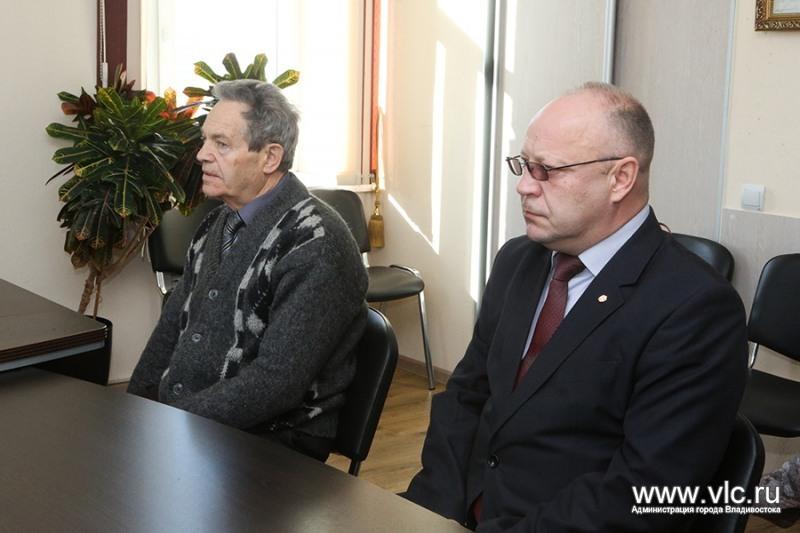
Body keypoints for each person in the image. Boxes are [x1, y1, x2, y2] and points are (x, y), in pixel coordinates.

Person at [403, 82, 748, 531]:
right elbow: (467, 396)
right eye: (523, 165)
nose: (524, 186)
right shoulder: (518, 261)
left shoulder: (695, 307)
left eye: (546, 170)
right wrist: (431, 513)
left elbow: (643, 493)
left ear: (620, 178)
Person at [128, 79, 368, 462]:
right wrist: (133, 412)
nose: (202, 155)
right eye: (205, 141)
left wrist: (170, 426)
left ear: (270, 158)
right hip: (198, 424)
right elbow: (170, 329)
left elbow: (276, 384)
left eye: (221, 144)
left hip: (275, 442)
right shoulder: (216, 224)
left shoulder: (316, 243)